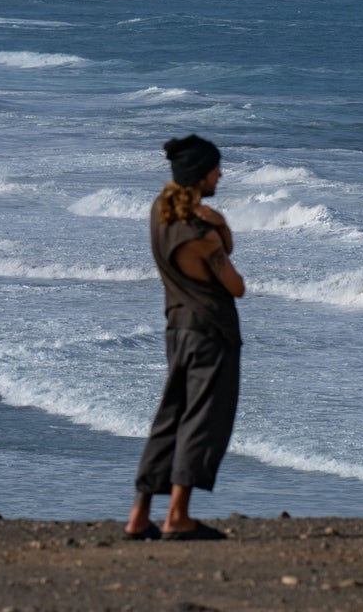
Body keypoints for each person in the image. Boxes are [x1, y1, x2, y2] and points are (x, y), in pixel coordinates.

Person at [124, 134, 245, 541]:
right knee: (201, 422)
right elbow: (236, 285)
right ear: (200, 175)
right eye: (215, 168)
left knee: (170, 418)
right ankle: (178, 515)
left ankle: (139, 515)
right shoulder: (202, 234)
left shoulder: (160, 213)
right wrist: (222, 225)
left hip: (176, 328)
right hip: (210, 332)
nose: (220, 174)